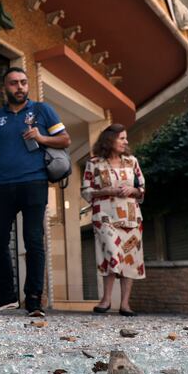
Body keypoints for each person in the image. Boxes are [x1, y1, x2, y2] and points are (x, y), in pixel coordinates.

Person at [0, 67, 70, 317]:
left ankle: (33, 299)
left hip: (34, 183)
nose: (19, 87)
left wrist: (41, 138)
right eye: (13, 83)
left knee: (33, 241)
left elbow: (65, 140)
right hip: (3, 186)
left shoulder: (42, 110)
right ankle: (7, 295)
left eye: (23, 82)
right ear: (4, 88)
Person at [81, 124, 146, 317]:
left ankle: (124, 304)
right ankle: (106, 299)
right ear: (110, 140)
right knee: (111, 253)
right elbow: (85, 190)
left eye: (126, 138)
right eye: (122, 138)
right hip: (104, 216)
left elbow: (142, 187)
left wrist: (133, 190)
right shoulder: (94, 163)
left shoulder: (132, 161)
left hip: (131, 216)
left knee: (130, 258)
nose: (126, 142)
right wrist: (106, 191)